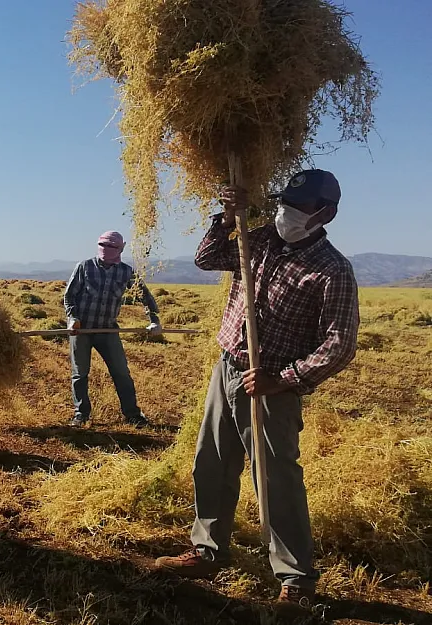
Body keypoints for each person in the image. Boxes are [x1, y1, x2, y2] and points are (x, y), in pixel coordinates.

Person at [154, 169, 360, 610]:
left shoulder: (331, 270)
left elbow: (339, 346)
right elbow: (208, 259)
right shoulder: (260, 239)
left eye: (298, 207)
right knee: (211, 462)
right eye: (284, 201)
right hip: (227, 366)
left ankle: (296, 580)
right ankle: (208, 550)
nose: (286, 211)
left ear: (324, 214)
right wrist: (228, 218)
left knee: (275, 479)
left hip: (271, 386)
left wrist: (282, 379)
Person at [62, 231, 161, 428]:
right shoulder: (85, 267)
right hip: (81, 330)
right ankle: (81, 414)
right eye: (103, 245)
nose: (106, 250)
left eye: (111, 247)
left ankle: (132, 414)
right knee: (80, 373)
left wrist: (154, 320)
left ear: (121, 249)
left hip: (108, 330)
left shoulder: (126, 272)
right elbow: (69, 296)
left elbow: (145, 296)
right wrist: (72, 319)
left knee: (121, 372)